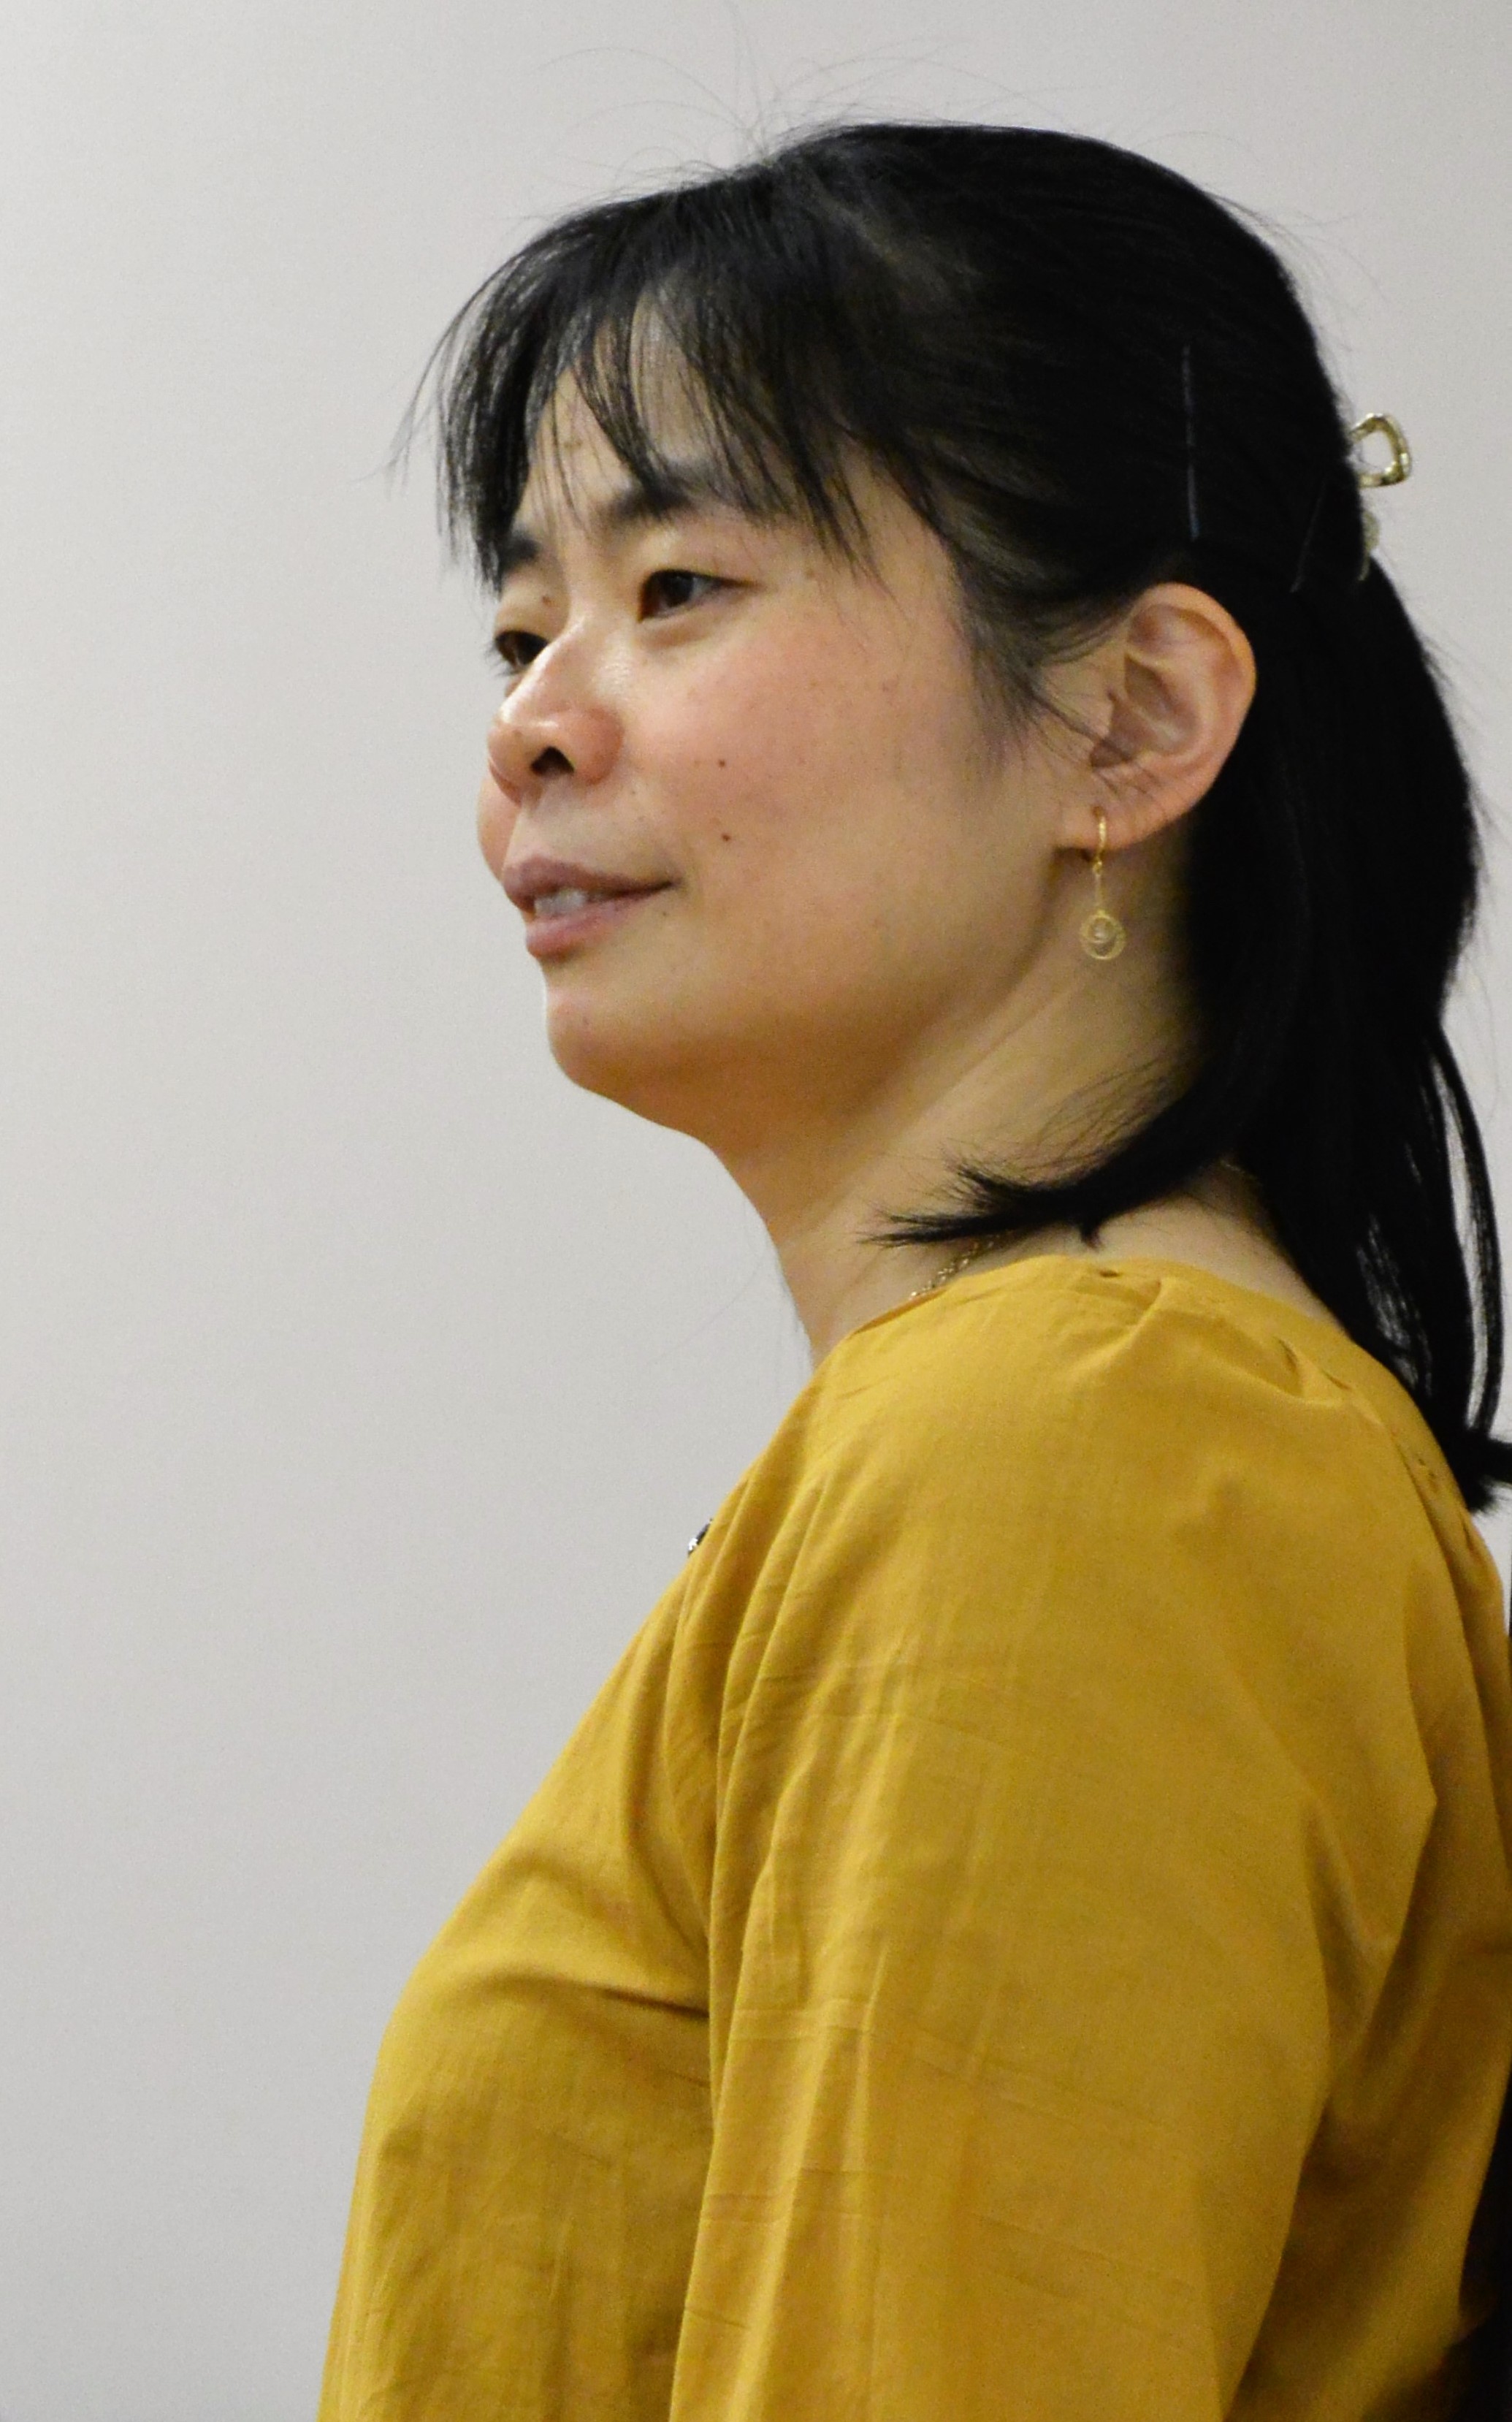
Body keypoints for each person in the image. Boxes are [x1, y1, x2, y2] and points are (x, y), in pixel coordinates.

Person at [318, 121, 1512, 2419]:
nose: (532, 719)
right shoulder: (1050, 1421)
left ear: (1131, 719)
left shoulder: (1082, 1438)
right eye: (522, 626)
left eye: (679, 584)